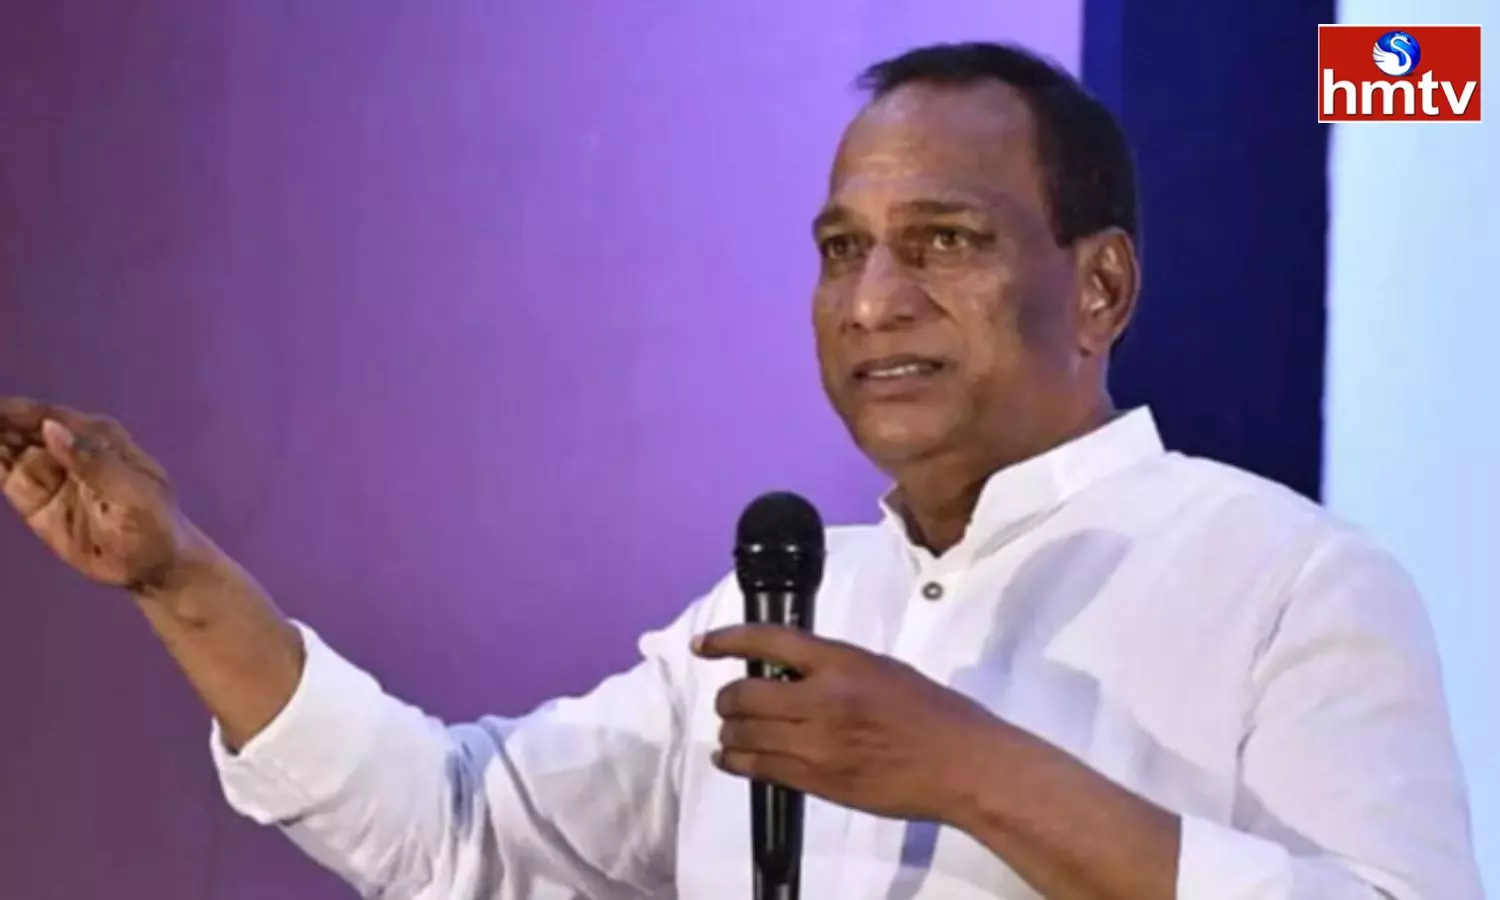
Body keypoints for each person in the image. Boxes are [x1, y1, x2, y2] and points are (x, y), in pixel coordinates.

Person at [0, 41, 1481, 900]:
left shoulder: (1290, 581)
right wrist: (180, 579)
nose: (873, 302)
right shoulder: (785, 600)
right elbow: (457, 830)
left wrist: (972, 772)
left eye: (945, 242)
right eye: (842, 250)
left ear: (1099, 288)